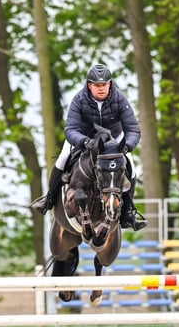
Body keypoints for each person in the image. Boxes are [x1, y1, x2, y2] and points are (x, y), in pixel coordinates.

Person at [31, 63, 147, 231]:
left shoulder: (119, 99)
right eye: (97, 85)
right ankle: (49, 199)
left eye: (104, 85)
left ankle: (128, 213)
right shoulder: (79, 99)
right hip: (84, 137)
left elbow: (133, 129)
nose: (101, 89)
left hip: (113, 139)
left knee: (132, 166)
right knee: (63, 158)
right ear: (89, 85)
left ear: (110, 84)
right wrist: (84, 142)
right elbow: (71, 129)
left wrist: (127, 146)